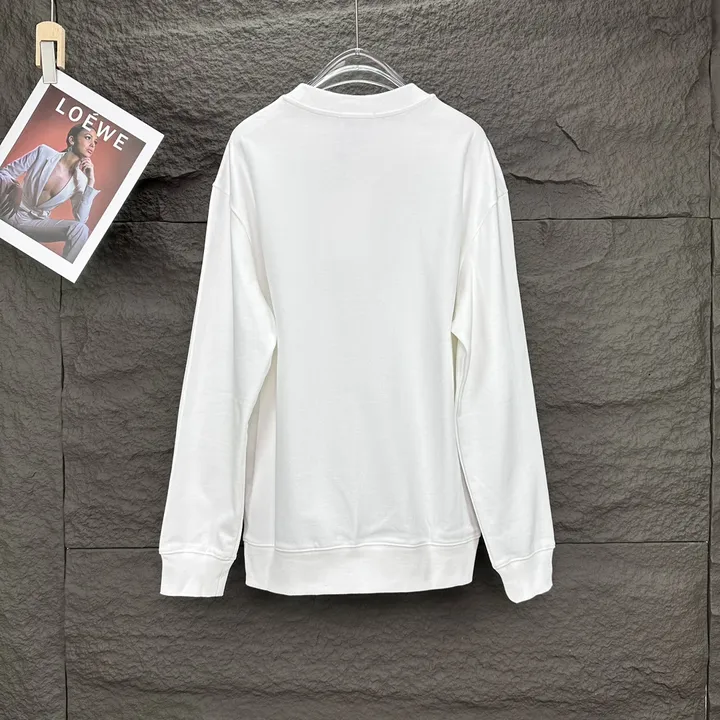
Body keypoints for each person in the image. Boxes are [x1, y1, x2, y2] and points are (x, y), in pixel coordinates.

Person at [0, 124, 101, 263]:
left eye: (95, 142)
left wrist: (90, 182)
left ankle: (64, 270)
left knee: (81, 230)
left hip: (35, 224)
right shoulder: (44, 152)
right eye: (88, 138)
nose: (92, 145)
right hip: (10, 208)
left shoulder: (81, 180)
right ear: (72, 140)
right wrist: (15, 187)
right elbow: (4, 173)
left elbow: (81, 218)